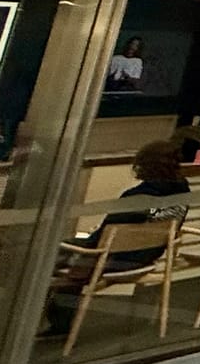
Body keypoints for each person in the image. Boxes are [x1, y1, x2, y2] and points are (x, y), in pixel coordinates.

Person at [44, 141, 191, 337]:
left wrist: (90, 237)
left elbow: (100, 241)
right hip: (147, 256)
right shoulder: (182, 192)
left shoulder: (134, 197)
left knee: (51, 254)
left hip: (115, 260)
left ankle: (54, 319)